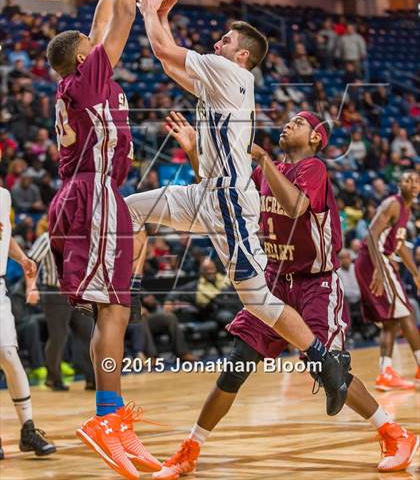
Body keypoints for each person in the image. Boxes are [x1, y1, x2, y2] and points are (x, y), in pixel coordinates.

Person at [152, 111, 419, 479]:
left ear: (315, 139)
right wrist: (196, 151)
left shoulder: (314, 170)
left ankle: (395, 433)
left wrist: (261, 159)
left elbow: (295, 207)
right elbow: (215, 192)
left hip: (316, 284)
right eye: (288, 121)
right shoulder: (266, 172)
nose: (288, 125)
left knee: (330, 370)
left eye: (298, 122)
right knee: (236, 365)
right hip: (276, 282)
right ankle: (190, 449)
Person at [127, 0, 351, 416]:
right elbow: (172, 66)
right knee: (128, 210)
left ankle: (324, 360)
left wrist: (151, 9)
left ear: (241, 55)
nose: (217, 42)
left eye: (225, 40)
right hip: (203, 192)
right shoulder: (217, 80)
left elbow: (162, 51)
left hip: (228, 198)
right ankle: (132, 290)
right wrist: (163, 15)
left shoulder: (231, 73)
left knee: (256, 301)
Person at [45, 0, 160, 479]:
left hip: (97, 197)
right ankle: (105, 418)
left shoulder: (86, 81)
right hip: (91, 198)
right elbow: (117, 17)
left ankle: (112, 416)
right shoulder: (86, 81)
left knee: (114, 310)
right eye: (92, 47)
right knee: (112, 310)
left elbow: (108, 20)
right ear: (83, 59)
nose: (101, 44)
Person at [0, 187, 56, 460]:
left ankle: (28, 430)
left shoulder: (4, 196)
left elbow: (4, 236)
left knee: (9, 355)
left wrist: (22, 258)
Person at [355, 172, 420, 391]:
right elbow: (372, 234)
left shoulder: (406, 210)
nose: (413, 184)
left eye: (416, 181)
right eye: (408, 180)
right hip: (374, 260)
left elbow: (399, 245)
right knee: (406, 312)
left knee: (391, 321)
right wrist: (380, 270)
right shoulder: (393, 203)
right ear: (399, 184)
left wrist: (415, 272)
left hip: (377, 261)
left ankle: (386, 372)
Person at [27, 221, 95, 391]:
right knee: (59, 336)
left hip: (79, 293)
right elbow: (30, 262)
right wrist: (32, 287)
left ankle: (92, 378)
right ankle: (53, 378)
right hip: (55, 294)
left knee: (89, 334)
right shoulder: (46, 238)